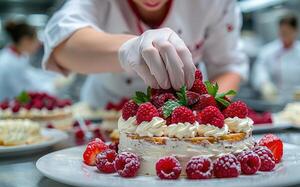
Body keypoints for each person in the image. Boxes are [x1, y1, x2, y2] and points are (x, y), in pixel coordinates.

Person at [43, 0, 248, 107]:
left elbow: (227, 67)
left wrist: (203, 111)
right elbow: (62, 44)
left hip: (184, 115)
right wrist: (127, 50)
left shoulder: (214, 3)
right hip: (107, 111)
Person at [0, 21, 59, 101]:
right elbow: (24, 94)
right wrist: (53, 85)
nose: (38, 44)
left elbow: (29, 75)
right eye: (36, 39)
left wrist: (54, 75)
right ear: (25, 41)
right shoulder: (7, 63)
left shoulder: (20, 56)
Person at [252, 14, 300, 102]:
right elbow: (260, 69)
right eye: (282, 32)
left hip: (297, 103)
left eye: (288, 32)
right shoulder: (268, 51)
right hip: (274, 101)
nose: (284, 36)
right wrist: (264, 84)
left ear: (295, 31)